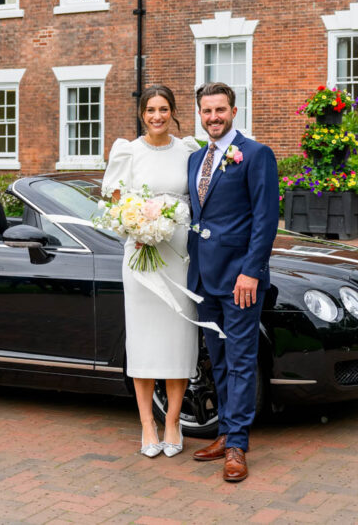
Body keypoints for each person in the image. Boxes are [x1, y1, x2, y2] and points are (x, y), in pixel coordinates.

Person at [101, 85, 202, 458]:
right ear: (142, 114)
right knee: (143, 342)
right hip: (139, 255)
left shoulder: (188, 150)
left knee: (178, 339)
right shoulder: (128, 151)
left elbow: (196, 198)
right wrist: (134, 227)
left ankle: (173, 420)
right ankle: (147, 424)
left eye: (163, 109)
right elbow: (115, 207)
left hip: (178, 255)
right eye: (150, 110)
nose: (156, 116)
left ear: (173, 111)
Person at [187, 81, 279, 483]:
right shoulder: (195, 160)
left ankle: (238, 445)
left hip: (240, 278)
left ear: (234, 111)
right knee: (218, 360)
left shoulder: (256, 155)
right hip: (203, 278)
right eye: (207, 111)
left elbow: (265, 219)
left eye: (220, 110)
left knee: (242, 360)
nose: (213, 118)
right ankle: (225, 433)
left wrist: (251, 271)